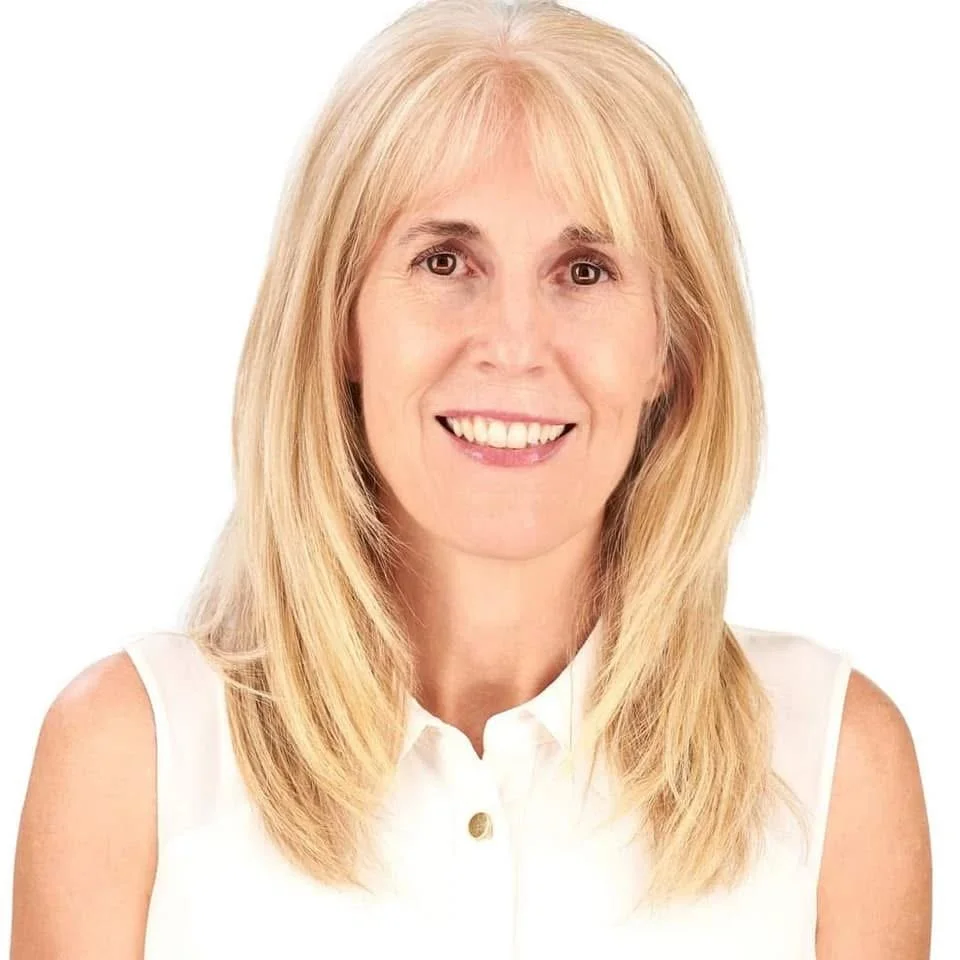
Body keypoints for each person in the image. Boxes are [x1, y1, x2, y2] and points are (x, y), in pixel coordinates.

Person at [11, 0, 932, 957]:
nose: (515, 344)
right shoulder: (134, 757)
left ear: (672, 345)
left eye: (584, 271)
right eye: (445, 261)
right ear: (338, 321)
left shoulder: (832, 768)